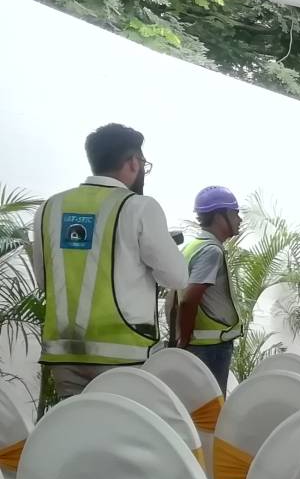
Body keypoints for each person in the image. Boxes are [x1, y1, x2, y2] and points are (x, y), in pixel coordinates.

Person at [31, 122, 189, 401]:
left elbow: (45, 281)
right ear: (133, 162)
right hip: (125, 354)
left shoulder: (49, 208)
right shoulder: (139, 206)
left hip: (63, 353)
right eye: (144, 163)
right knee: (122, 425)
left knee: (77, 423)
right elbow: (177, 277)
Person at [170, 186, 245, 392]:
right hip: (210, 347)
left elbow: (176, 296)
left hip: (202, 345)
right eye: (235, 213)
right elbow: (188, 299)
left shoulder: (192, 246)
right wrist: (185, 340)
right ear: (219, 217)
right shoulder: (211, 251)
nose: (239, 219)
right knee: (212, 405)